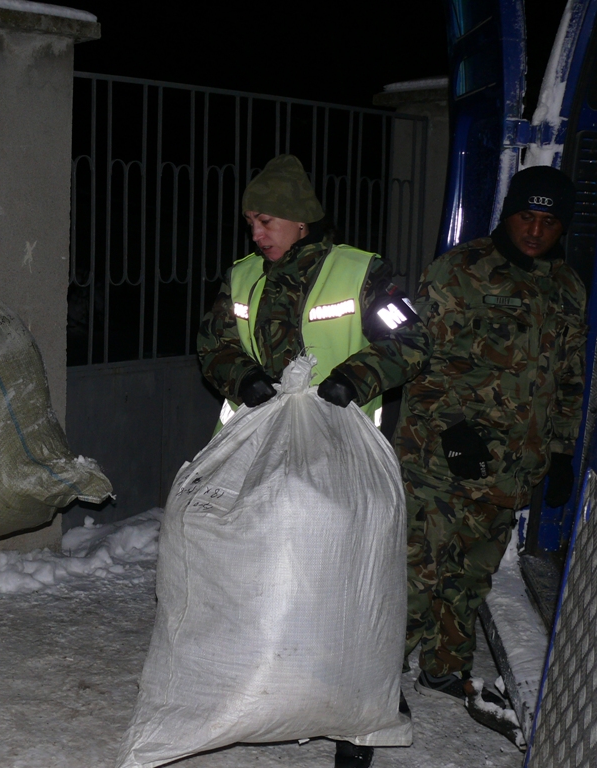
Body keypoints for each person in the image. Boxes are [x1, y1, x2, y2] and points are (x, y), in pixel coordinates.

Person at [196, 153, 431, 768]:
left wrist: (355, 379)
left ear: (301, 221)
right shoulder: (243, 277)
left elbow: (409, 339)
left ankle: (360, 711)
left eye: (267, 220)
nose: (256, 233)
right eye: (251, 221)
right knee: (266, 578)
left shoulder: (363, 273)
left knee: (349, 585)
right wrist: (240, 377)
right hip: (260, 455)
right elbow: (212, 342)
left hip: (341, 456)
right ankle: (270, 692)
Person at [395, 165, 587, 704]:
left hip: (510, 465)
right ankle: (376, 681)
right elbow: (419, 358)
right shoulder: (460, 271)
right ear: (509, 214)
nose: (534, 230)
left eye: (549, 221)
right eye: (527, 216)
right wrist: (453, 430)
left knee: (472, 570)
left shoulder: (567, 287)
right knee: (416, 572)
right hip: (440, 459)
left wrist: (561, 451)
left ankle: (444, 667)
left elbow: (568, 376)